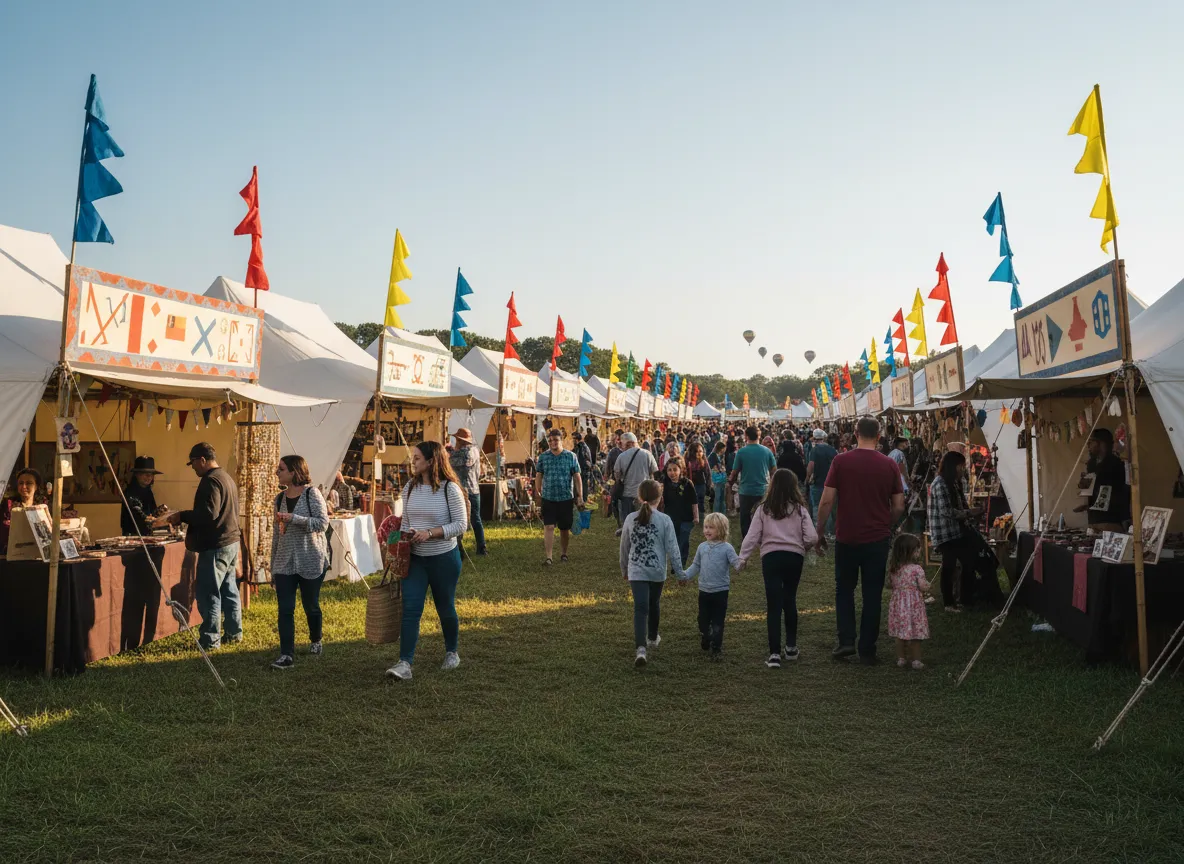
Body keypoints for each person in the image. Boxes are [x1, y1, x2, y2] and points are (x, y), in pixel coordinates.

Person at [815, 417, 905, 664]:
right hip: (876, 539)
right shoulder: (889, 465)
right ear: (879, 435)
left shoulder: (841, 461)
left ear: (855, 434)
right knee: (872, 594)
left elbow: (826, 500)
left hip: (847, 537)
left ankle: (846, 641)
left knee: (844, 589)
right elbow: (898, 505)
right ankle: (867, 647)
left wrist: (820, 531)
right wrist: (886, 523)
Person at [385, 441, 469, 681]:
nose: (413, 461)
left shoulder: (449, 489)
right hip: (416, 559)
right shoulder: (409, 488)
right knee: (411, 609)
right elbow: (405, 522)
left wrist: (431, 532)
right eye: (413, 457)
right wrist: (401, 540)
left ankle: (452, 652)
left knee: (445, 607)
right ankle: (405, 663)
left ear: (432, 461)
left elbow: (461, 525)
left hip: (444, 558)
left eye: (418, 457)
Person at [158, 443, 242, 650]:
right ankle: (234, 633)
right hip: (230, 541)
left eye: (193, 463)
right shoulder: (226, 478)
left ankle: (210, 640)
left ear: (202, 460)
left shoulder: (210, 481)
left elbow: (208, 514)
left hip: (216, 545)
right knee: (229, 590)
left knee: (209, 592)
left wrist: (181, 516)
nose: (193, 467)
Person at [738, 469, 818, 668]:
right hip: (794, 557)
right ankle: (791, 647)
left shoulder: (763, 509)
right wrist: (803, 547)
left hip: (771, 557)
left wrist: (743, 558)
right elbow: (812, 537)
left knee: (773, 604)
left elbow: (752, 536)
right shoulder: (800, 510)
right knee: (789, 599)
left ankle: (774, 653)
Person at [269, 455, 330, 670]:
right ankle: (286, 654)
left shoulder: (312, 494)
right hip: (285, 561)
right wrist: (272, 566)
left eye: (281, 469)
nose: (277, 472)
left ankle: (316, 639)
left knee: (310, 605)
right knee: (285, 608)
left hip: (311, 558)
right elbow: (277, 535)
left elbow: (323, 524)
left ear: (294, 472)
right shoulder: (278, 499)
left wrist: (295, 519)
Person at [620, 479, 686, 667]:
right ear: (660, 498)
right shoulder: (665, 520)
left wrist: (624, 568)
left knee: (640, 608)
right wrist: (680, 573)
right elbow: (673, 548)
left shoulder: (630, 518)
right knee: (654, 603)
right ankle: (651, 637)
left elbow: (624, 547)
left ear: (639, 497)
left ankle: (641, 648)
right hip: (657, 570)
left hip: (636, 570)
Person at [927, 450, 983, 612]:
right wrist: (970, 513)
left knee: (967, 562)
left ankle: (965, 598)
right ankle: (949, 602)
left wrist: (971, 514)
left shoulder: (954, 483)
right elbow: (947, 511)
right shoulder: (940, 483)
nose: (963, 469)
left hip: (956, 531)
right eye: (961, 466)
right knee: (949, 566)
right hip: (945, 533)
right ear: (953, 466)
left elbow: (961, 505)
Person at [680, 512, 740, 658]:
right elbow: (696, 565)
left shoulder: (727, 548)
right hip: (704, 591)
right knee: (703, 619)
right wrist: (685, 575)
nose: (706, 530)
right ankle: (706, 635)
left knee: (718, 620)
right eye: (706, 527)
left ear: (721, 529)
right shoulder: (702, 547)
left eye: (711, 528)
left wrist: (741, 563)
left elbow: (736, 563)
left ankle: (717, 648)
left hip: (721, 591)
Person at [534, 428, 584, 565]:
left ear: (561, 441)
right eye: (550, 441)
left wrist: (580, 495)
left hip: (565, 497)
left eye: (555, 440)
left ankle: (564, 553)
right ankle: (549, 557)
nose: (552, 443)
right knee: (549, 526)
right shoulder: (543, 457)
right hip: (548, 497)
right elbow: (538, 474)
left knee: (564, 528)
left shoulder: (570, 456)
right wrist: (538, 492)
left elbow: (577, 476)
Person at [886, 532, 930, 669]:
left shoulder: (895, 569)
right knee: (915, 635)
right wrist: (928, 586)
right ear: (909, 552)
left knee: (900, 634)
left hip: (898, 606)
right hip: (913, 607)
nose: (919, 552)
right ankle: (916, 660)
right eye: (917, 550)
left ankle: (901, 659)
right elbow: (923, 587)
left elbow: (890, 585)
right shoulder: (917, 569)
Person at [1073, 428, 1130, 532]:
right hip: (1094, 519)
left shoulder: (1116, 463)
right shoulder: (1091, 463)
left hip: (1111, 519)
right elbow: (1093, 490)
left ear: (1100, 443)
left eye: (1091, 442)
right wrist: (1085, 486)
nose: (1088, 445)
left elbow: (1120, 492)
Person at [728, 426, 777, 538]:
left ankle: (747, 538)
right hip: (763, 489)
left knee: (745, 516)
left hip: (746, 490)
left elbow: (734, 472)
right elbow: (774, 470)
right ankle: (762, 536)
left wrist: (730, 482)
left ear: (746, 436)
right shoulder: (767, 451)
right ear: (759, 436)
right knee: (763, 515)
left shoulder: (741, 452)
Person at [449, 428, 487, 556]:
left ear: (460, 440)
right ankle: (464, 548)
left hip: (469, 490)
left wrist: (450, 454)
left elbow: (460, 463)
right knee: (463, 519)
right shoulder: (467, 451)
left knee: (472, 519)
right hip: (464, 490)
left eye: (457, 440)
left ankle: (479, 548)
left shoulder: (470, 452)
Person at [613, 432, 659, 526]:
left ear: (628, 443)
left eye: (622, 444)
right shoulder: (647, 454)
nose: (621, 447)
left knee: (628, 522)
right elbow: (654, 472)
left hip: (627, 494)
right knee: (644, 522)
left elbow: (617, 475)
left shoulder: (621, 457)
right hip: (644, 495)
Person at [660, 457, 699, 567]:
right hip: (671, 518)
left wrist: (696, 517)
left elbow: (694, 501)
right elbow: (661, 503)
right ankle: (674, 563)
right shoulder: (664, 484)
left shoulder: (687, 483)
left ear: (681, 470)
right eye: (669, 470)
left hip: (686, 518)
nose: (672, 473)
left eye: (675, 470)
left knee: (683, 542)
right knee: (673, 541)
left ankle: (681, 564)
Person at [0, 468, 46, 552]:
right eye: (21, 483)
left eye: (29, 483)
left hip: (37, 552)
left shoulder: (43, 506)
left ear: (36, 486)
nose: (24, 486)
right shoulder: (8, 505)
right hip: (11, 552)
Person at [805, 429, 837, 536]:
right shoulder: (831, 449)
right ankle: (831, 532)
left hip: (818, 483)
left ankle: (818, 532)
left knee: (817, 507)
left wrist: (808, 477)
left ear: (814, 438)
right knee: (831, 508)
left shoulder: (814, 450)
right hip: (831, 484)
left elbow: (811, 465)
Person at [121, 456, 164, 536]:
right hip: (133, 536)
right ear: (137, 475)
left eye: (151, 474)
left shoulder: (148, 492)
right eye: (145, 474)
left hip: (148, 534)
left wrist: (162, 514)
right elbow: (137, 514)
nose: (149, 477)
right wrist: (150, 519)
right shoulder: (130, 492)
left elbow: (152, 511)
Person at [685, 442, 711, 519]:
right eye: (696, 451)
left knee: (701, 500)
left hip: (701, 483)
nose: (699, 453)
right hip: (690, 483)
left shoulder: (703, 460)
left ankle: (701, 516)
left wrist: (708, 485)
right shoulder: (687, 460)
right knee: (691, 501)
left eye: (700, 451)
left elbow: (708, 473)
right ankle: (692, 516)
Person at [708, 441, 729, 515]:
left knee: (722, 497)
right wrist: (721, 469)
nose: (725, 450)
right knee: (718, 497)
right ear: (721, 448)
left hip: (722, 479)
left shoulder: (720, 456)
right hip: (717, 479)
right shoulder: (713, 456)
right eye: (724, 448)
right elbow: (717, 468)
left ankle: (722, 513)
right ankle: (716, 513)